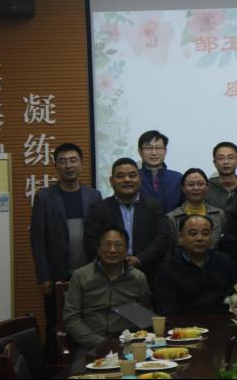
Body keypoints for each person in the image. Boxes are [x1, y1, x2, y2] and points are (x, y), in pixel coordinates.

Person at [29, 143, 102, 363]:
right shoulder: (44, 197)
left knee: (89, 322)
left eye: (73, 160)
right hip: (57, 276)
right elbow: (37, 239)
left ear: (81, 164)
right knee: (56, 325)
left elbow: (100, 234)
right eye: (62, 161)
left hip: (89, 274)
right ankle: (55, 369)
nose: (68, 165)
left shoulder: (94, 195)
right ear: (55, 166)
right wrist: (43, 276)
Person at [64, 225, 151, 350]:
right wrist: (99, 342)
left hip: (127, 345)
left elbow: (144, 318)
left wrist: (128, 341)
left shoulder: (138, 278)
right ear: (98, 249)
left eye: (118, 245)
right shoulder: (80, 276)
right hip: (90, 345)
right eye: (107, 244)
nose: (112, 250)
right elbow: (72, 319)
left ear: (126, 250)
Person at [84, 158, 172, 280]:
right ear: (111, 181)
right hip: (108, 274)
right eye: (120, 176)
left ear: (139, 179)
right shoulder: (99, 208)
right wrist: (114, 262)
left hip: (149, 272)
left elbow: (163, 237)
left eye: (132, 175)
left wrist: (139, 259)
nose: (127, 180)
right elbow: (91, 241)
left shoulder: (154, 207)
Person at [153, 215, 237, 315]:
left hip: (222, 321)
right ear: (180, 238)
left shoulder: (225, 262)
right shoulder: (168, 269)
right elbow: (166, 310)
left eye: (205, 233)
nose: (199, 238)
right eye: (193, 233)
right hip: (182, 323)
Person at [166, 168, 224, 249]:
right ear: (183, 188)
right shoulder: (171, 218)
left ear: (207, 187)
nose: (196, 188)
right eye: (191, 184)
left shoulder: (219, 214)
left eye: (200, 184)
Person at [137, 130, 183, 212]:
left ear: (165, 151)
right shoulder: (134, 178)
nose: (154, 153)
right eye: (148, 148)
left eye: (158, 148)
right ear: (140, 151)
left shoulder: (178, 178)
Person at [206, 142, 237, 211]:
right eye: (221, 158)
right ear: (214, 163)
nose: (226, 162)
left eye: (230, 157)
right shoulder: (207, 189)